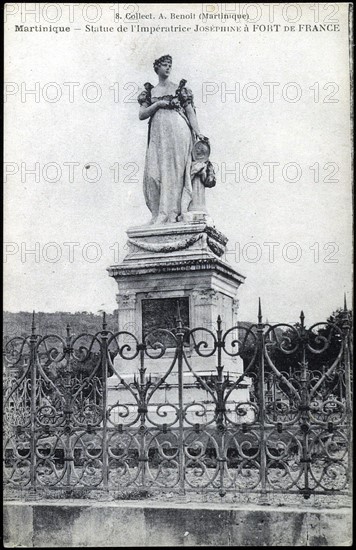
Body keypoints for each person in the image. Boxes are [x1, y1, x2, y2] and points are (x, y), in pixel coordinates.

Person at [137, 55, 207, 224]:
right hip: (158, 135)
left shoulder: (179, 89)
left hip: (177, 132)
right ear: (157, 68)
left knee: (175, 172)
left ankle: (172, 213)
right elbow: (141, 114)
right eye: (165, 65)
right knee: (154, 174)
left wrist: (197, 132)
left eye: (170, 65)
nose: (168, 68)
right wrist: (158, 105)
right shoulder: (150, 92)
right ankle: (159, 213)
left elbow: (190, 112)